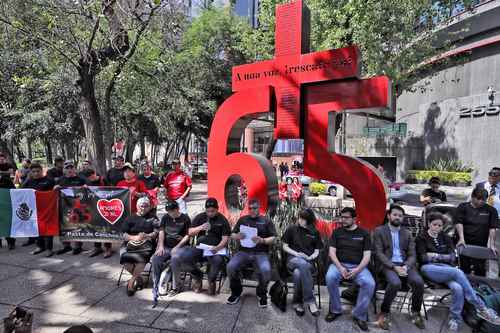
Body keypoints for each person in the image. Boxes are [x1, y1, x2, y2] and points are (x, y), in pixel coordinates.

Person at [416, 212, 500, 332]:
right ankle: (481, 306)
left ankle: (455, 319)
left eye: (440, 226)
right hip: (429, 268)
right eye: (435, 224)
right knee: (458, 273)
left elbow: (452, 257)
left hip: (447, 269)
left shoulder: (445, 237)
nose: (437, 228)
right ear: (429, 224)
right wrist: (441, 256)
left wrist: (434, 255)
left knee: (457, 288)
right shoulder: (421, 238)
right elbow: (423, 258)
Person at [373, 205, 425, 330]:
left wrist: (406, 267)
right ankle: (384, 312)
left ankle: (415, 312)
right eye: (395, 215)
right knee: (395, 283)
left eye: (400, 216)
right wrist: (394, 267)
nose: (397, 217)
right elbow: (378, 253)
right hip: (388, 265)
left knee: (418, 282)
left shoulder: (406, 233)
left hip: (404, 264)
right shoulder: (379, 231)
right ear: (389, 216)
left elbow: (412, 254)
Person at [325, 207, 374, 331]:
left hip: (358, 267)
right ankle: (335, 310)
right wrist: (340, 268)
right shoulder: (337, 232)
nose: (343, 220)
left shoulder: (364, 234)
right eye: (342, 217)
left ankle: (359, 315)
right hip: (339, 265)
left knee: (369, 283)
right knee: (330, 277)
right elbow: (332, 253)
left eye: (346, 217)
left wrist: (357, 270)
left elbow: (367, 256)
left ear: (354, 219)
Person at [170, 198, 230, 295]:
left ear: (217, 209)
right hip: (200, 247)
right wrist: (201, 227)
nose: (210, 213)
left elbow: (225, 238)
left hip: (215, 248)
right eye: (208, 211)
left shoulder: (222, 220)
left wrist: (218, 247)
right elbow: (189, 232)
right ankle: (197, 275)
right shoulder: (200, 217)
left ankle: (211, 280)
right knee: (183, 257)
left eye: (212, 211)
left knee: (218, 261)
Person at [226, 199, 276, 307]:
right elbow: (232, 234)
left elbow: (274, 238)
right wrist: (237, 236)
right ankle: (236, 292)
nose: (252, 210)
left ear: (259, 208)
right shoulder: (243, 219)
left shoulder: (266, 221)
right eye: (250, 208)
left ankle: (261, 293)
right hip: (244, 251)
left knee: (266, 270)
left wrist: (262, 240)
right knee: (230, 266)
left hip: (260, 253)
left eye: (254, 208)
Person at [282, 208, 323, 317]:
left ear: (309, 220)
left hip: (308, 262)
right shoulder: (292, 229)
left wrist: (310, 258)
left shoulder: (315, 232)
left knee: (298, 273)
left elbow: (317, 251)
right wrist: (297, 254)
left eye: (303, 219)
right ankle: (310, 301)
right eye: (300, 217)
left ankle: (297, 303)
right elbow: (284, 246)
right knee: (302, 264)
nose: (300, 220)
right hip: (293, 259)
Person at [151, 200, 191, 306]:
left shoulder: (185, 218)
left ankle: (176, 286)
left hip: (180, 246)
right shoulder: (165, 217)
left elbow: (188, 236)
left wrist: (177, 247)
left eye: (172, 211)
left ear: (177, 209)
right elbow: (161, 231)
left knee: (175, 259)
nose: (170, 213)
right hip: (166, 246)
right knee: (155, 259)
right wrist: (160, 246)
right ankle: (156, 282)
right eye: (168, 211)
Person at [120, 197, 159, 296]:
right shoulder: (130, 218)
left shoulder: (153, 218)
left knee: (141, 260)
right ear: (137, 206)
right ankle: (139, 278)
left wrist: (147, 235)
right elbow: (123, 234)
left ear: (150, 207)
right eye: (142, 206)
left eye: (146, 206)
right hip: (131, 242)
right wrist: (135, 237)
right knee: (126, 261)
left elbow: (156, 232)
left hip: (147, 244)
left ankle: (131, 283)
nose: (144, 208)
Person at [455, 188, 498, 276]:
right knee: (464, 268)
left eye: (484, 200)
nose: (481, 201)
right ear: (472, 197)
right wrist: (461, 238)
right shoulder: (463, 207)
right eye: (479, 199)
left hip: (481, 243)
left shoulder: (491, 210)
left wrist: (492, 245)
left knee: (480, 268)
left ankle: (480, 287)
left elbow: (492, 228)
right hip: (465, 242)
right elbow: (459, 223)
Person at [21, 162, 55, 256]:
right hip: (34, 210)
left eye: (38, 171)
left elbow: (55, 191)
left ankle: (49, 249)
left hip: (47, 209)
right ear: (31, 172)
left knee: (48, 230)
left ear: (41, 171)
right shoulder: (29, 181)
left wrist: (56, 188)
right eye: (33, 171)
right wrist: (28, 178)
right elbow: (20, 191)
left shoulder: (49, 180)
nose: (36, 173)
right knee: (37, 229)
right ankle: (40, 247)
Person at [54, 161, 87, 255]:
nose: (69, 170)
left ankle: (78, 246)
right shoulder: (60, 180)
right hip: (64, 206)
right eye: (67, 168)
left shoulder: (81, 178)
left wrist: (86, 187)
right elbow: (53, 192)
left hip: (78, 206)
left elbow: (89, 188)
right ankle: (66, 246)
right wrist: (55, 188)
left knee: (78, 225)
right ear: (64, 169)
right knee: (64, 225)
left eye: (71, 168)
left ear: (74, 169)